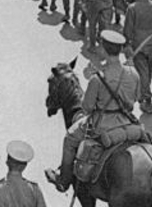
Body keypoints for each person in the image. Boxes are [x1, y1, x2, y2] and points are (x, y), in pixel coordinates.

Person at [45, 30, 140, 193]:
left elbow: (87, 107)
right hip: (126, 121)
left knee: (69, 139)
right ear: (120, 50)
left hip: (101, 125)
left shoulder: (97, 78)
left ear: (103, 49)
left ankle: (63, 180)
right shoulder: (133, 73)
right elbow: (136, 98)